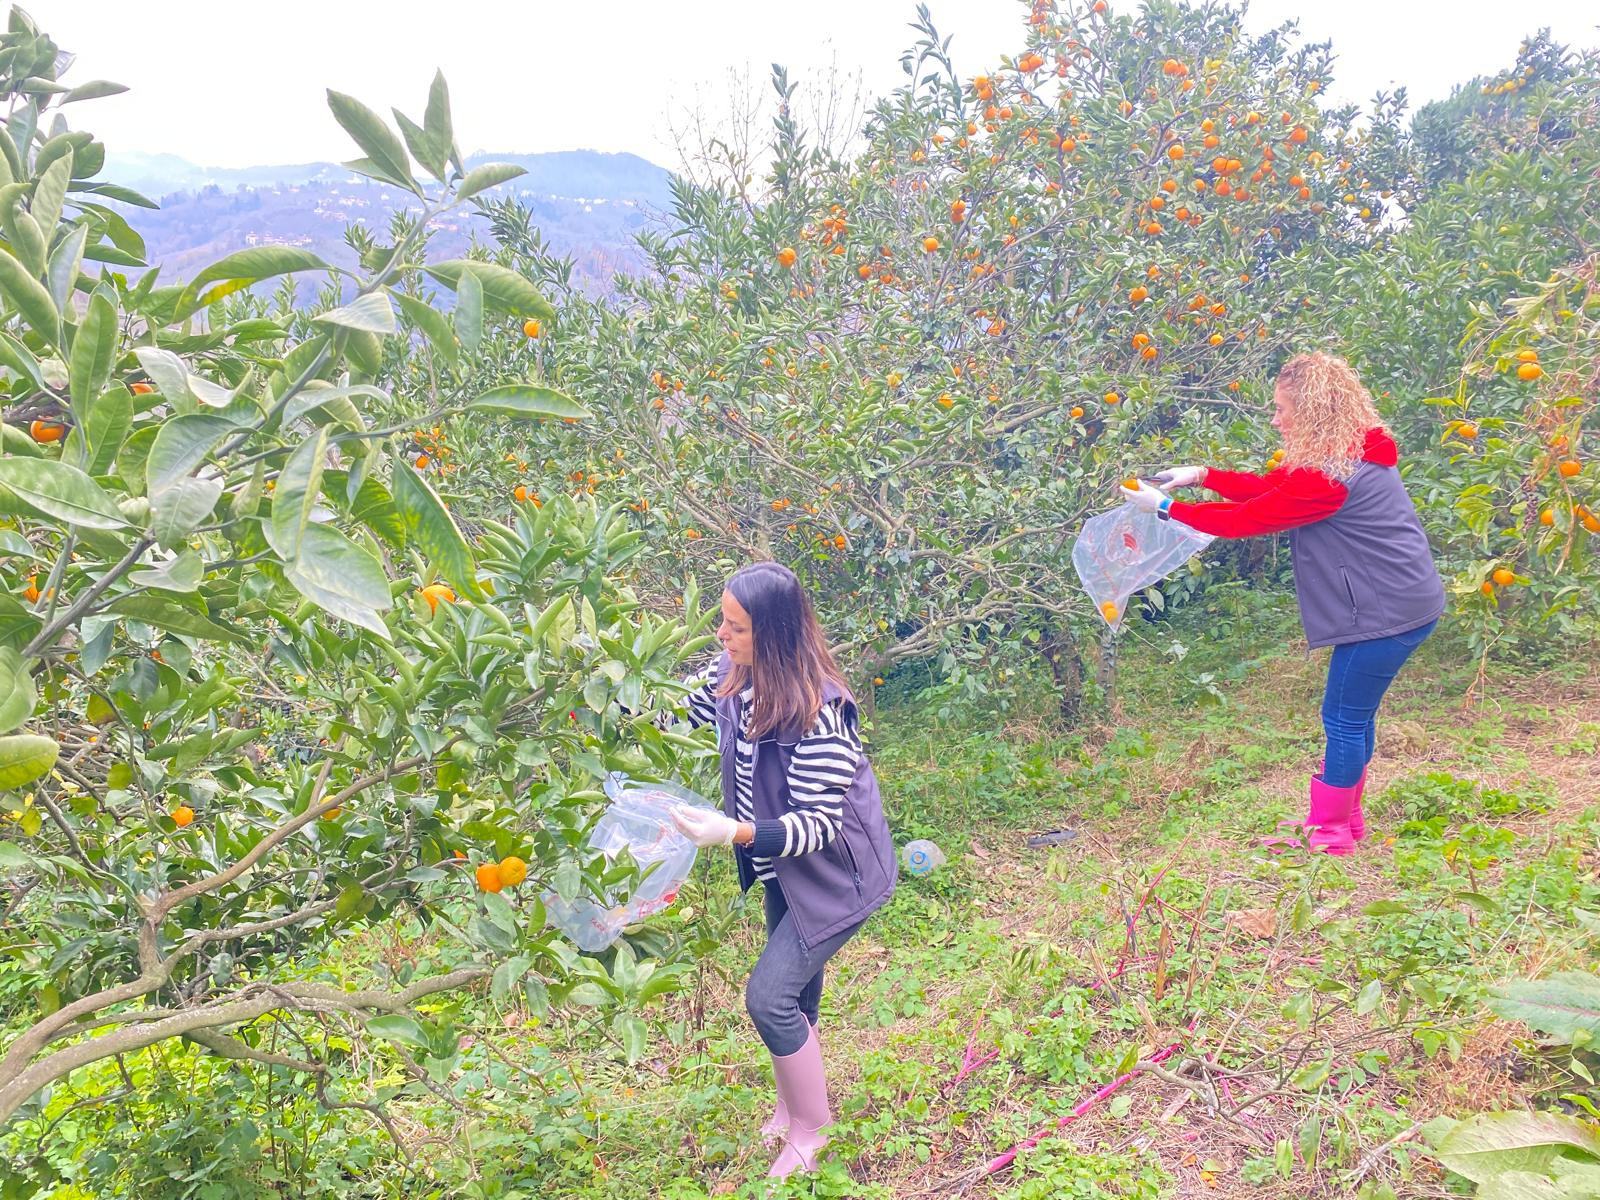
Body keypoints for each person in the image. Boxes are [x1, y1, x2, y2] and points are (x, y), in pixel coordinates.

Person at [1120, 352, 1444, 854]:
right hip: (1405, 600)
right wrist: (1203, 475)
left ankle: (1331, 834)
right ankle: (1346, 821)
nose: (1275, 418)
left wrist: (1166, 508)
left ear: (1312, 411)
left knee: (1343, 718)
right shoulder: (1353, 452)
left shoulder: (1331, 477)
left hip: (1385, 614)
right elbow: (1274, 487)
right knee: (1355, 716)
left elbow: (1244, 521)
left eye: (1280, 408)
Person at [666, 561, 897, 1178]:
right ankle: (793, 1103)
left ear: (770, 634)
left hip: (834, 875)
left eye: (736, 628)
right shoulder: (730, 675)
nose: (722, 635)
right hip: (781, 868)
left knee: (769, 997)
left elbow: (819, 825)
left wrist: (733, 832)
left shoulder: (817, 710)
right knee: (796, 991)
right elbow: (673, 712)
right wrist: (603, 697)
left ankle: (812, 1128)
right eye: (723, 622)